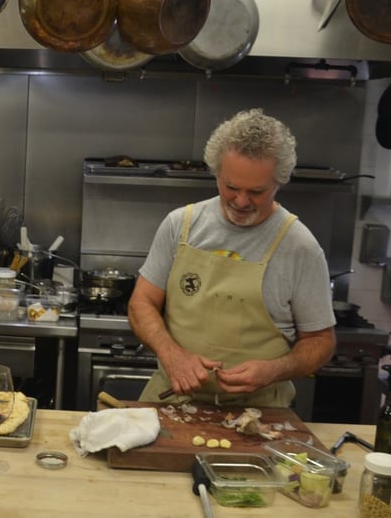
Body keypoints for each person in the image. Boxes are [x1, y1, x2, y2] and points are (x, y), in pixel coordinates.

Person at [128, 109, 336, 408]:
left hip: (259, 413)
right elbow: (141, 303)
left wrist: (274, 370)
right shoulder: (181, 225)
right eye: (231, 187)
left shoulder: (300, 247)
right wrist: (171, 355)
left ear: (279, 182)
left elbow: (321, 341)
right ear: (216, 173)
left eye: (257, 191)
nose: (240, 201)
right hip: (172, 400)